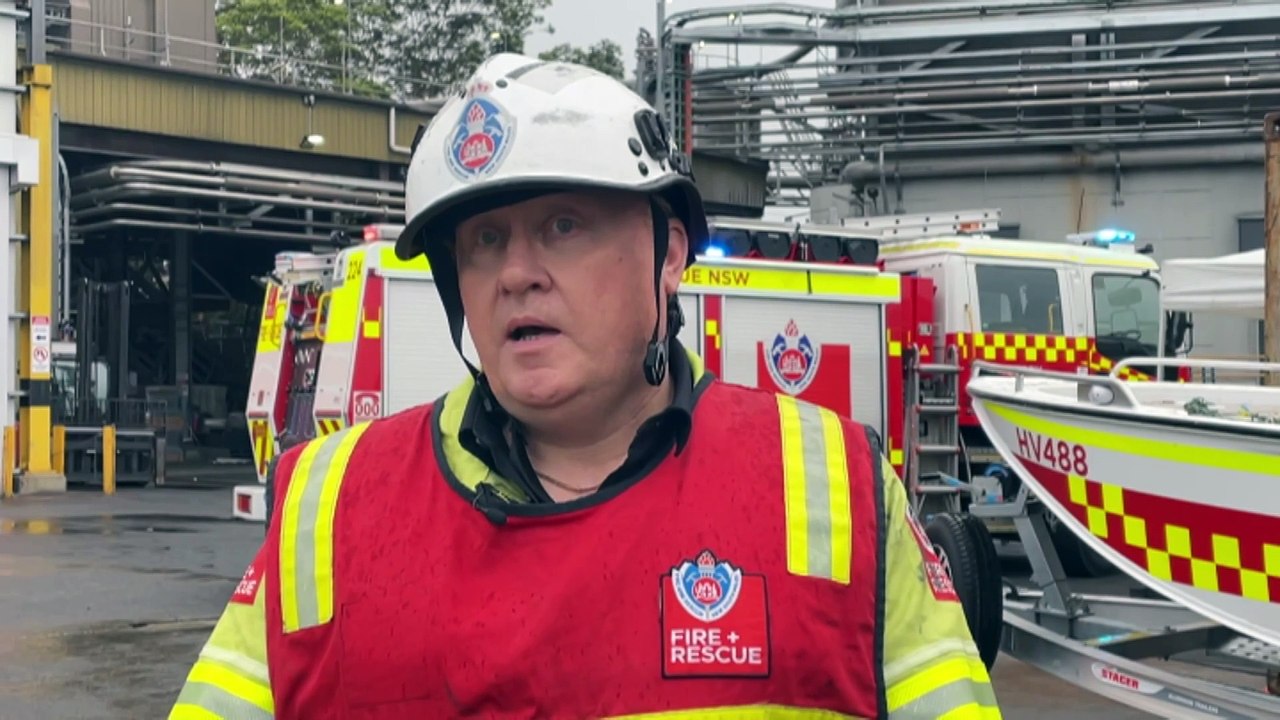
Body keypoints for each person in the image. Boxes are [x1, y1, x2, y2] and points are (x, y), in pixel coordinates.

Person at [169, 53, 1001, 720]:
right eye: (484, 241)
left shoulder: (828, 486)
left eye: (562, 227)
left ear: (668, 253)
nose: (516, 275)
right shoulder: (333, 502)